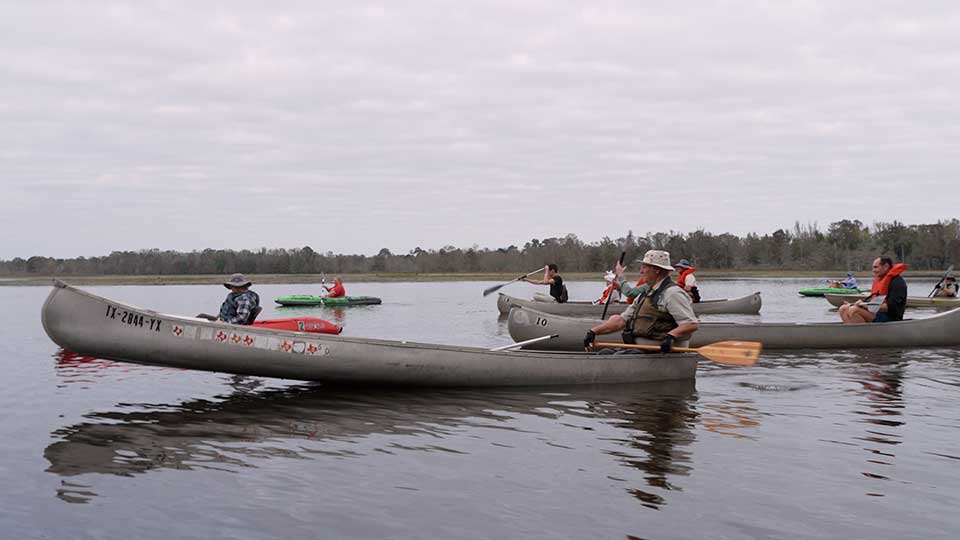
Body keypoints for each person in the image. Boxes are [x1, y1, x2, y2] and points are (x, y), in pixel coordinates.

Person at [583, 250, 699, 353]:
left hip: (660, 353)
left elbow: (690, 324)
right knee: (605, 353)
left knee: (612, 358)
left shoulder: (672, 293)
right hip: (639, 349)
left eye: (644, 267)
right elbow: (621, 321)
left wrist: (671, 336)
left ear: (657, 270)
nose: (641, 271)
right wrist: (594, 332)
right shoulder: (647, 293)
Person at [838, 257, 907, 324]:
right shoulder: (880, 280)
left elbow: (892, 307)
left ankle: (863, 335)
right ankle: (852, 333)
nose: (873, 270)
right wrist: (857, 303)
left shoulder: (898, 283)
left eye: (876, 267)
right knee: (843, 308)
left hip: (890, 318)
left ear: (886, 266)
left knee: (854, 310)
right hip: (876, 313)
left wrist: (866, 306)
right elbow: (873, 300)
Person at [197, 273, 261, 325]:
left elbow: (242, 318)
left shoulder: (244, 299)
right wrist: (218, 319)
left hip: (231, 326)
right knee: (201, 317)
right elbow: (224, 311)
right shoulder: (233, 296)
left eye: (235, 286)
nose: (232, 288)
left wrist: (225, 324)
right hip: (222, 321)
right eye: (232, 286)